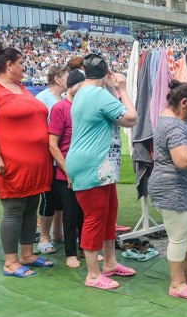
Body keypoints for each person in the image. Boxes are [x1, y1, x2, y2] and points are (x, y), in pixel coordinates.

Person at [0, 45, 53, 278]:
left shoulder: (21, 88)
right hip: (13, 161)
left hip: (36, 161)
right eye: (21, 63)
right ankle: (11, 261)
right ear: (9, 65)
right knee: (14, 210)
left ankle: (27, 254)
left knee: (31, 208)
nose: (24, 67)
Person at [65, 53, 138, 290]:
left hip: (100, 164)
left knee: (109, 213)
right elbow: (131, 118)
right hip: (93, 165)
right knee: (95, 218)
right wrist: (123, 89)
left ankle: (109, 263)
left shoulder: (85, 92)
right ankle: (93, 275)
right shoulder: (96, 94)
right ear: (106, 74)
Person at [149, 80, 187, 300]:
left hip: (185, 190)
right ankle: (177, 284)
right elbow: (183, 161)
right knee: (178, 237)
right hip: (172, 190)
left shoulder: (174, 121)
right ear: (184, 102)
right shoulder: (173, 125)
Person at [48, 69, 86, 268]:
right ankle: (70, 252)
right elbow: (52, 144)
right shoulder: (60, 108)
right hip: (66, 172)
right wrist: (67, 170)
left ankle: (83, 248)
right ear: (71, 87)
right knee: (70, 214)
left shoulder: (85, 108)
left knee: (85, 213)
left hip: (85, 170)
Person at [35, 64, 69, 254]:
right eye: (66, 76)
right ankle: (44, 237)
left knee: (60, 200)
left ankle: (58, 233)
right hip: (48, 158)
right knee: (48, 198)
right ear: (57, 78)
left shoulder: (62, 98)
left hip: (60, 156)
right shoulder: (42, 99)